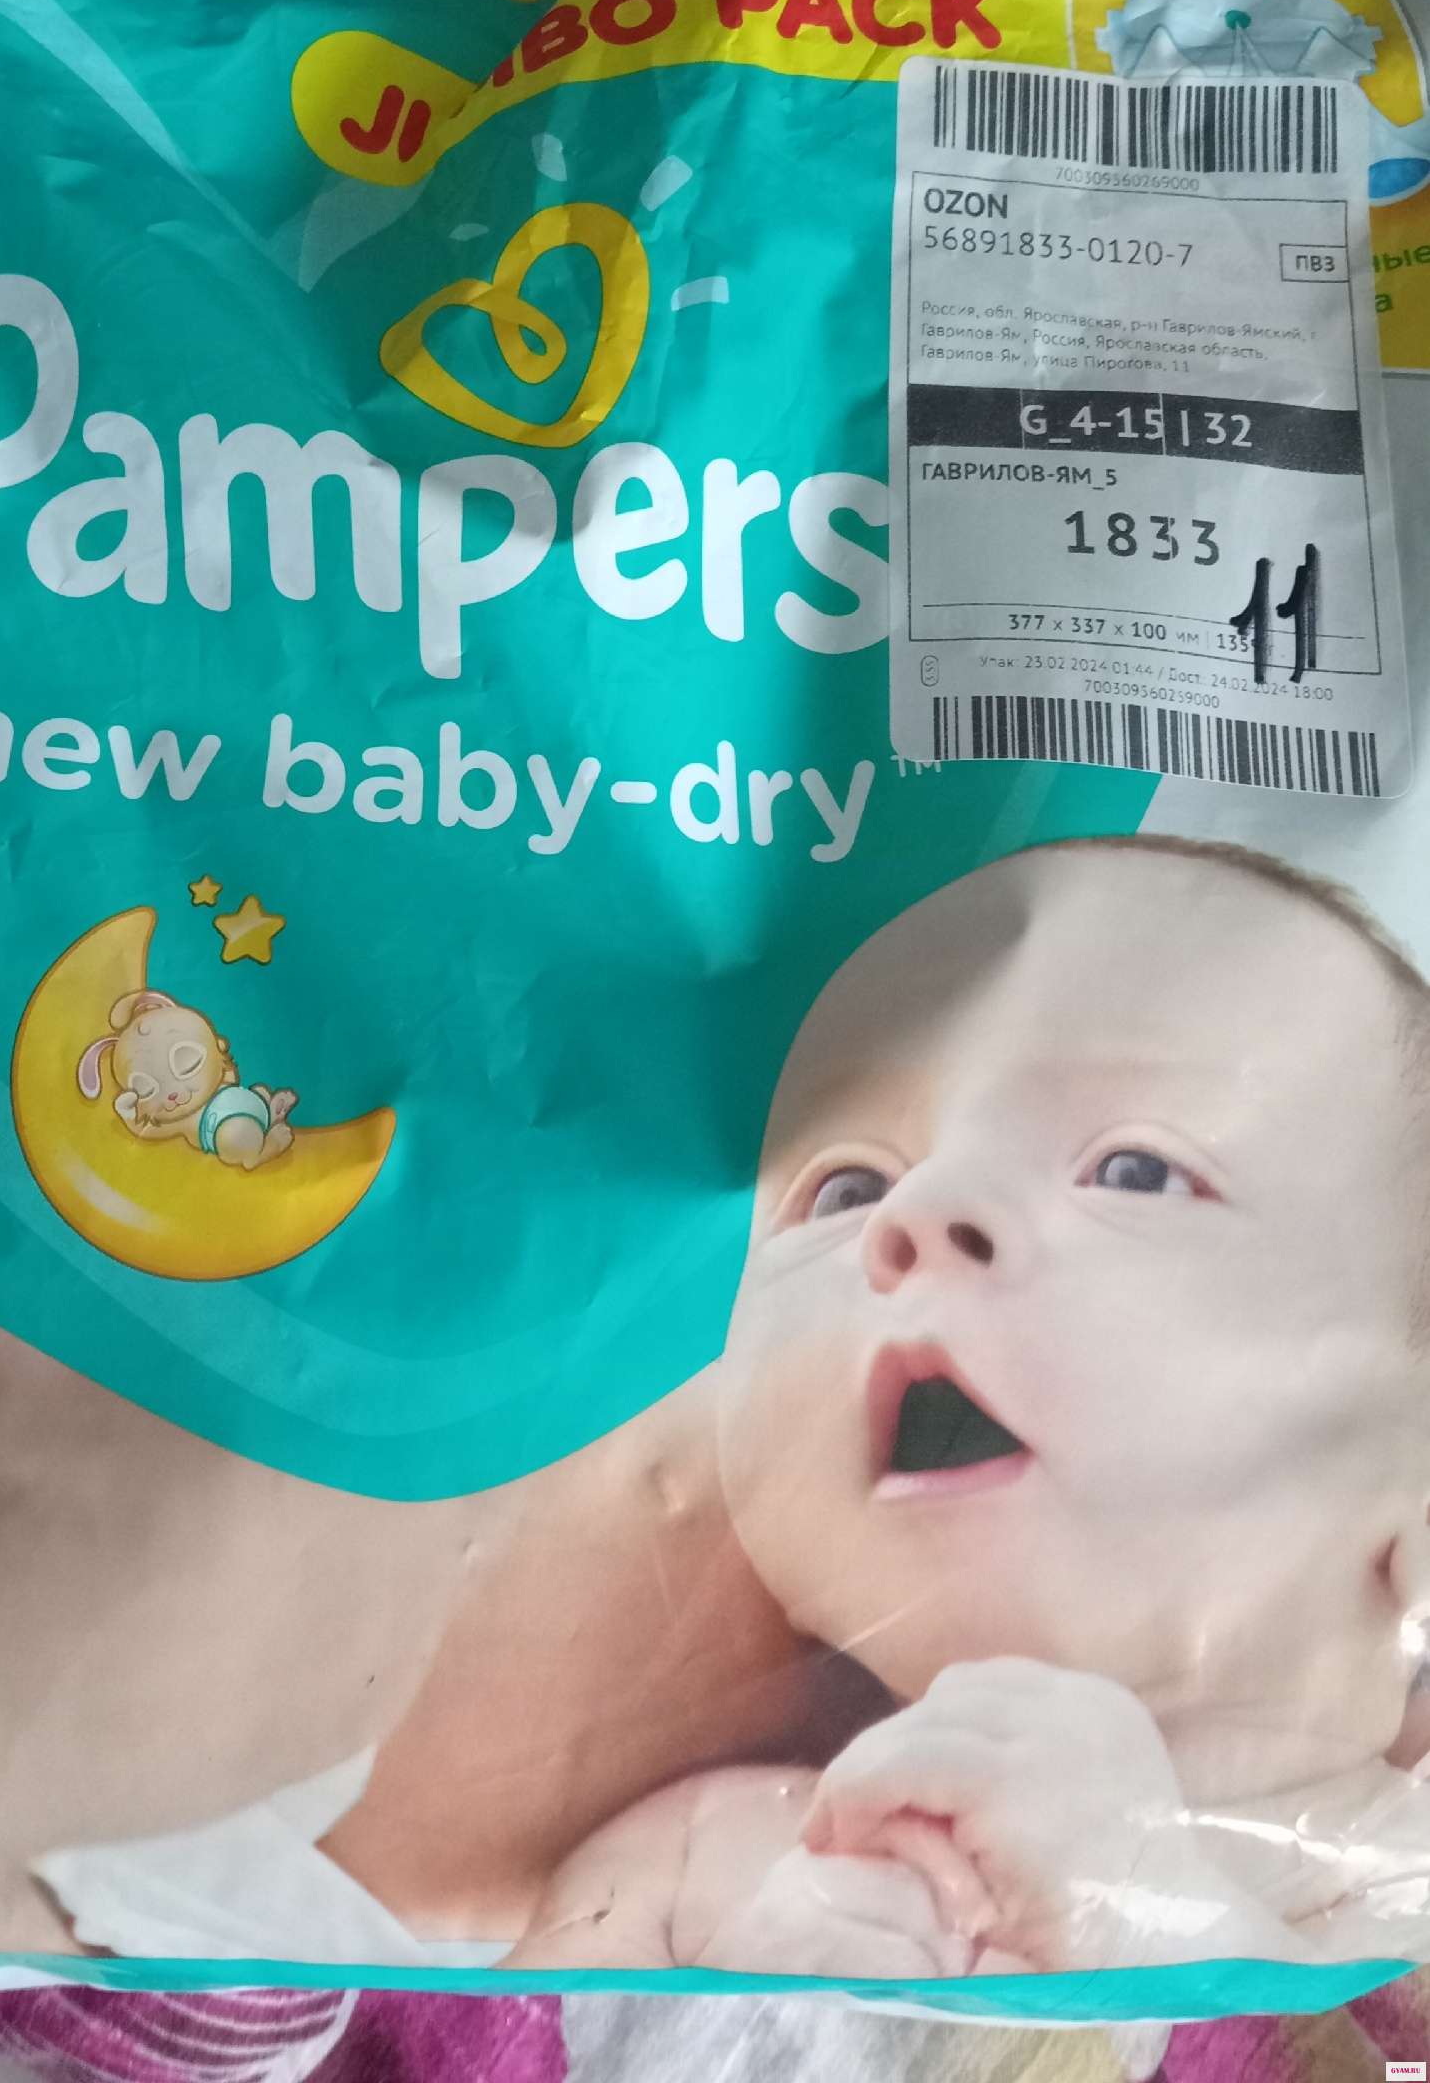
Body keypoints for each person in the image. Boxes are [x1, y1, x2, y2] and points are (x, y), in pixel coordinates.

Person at [502, 839, 1430, 1973]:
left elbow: (1352, 2044)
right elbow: (495, 2037)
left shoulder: (1392, 1865)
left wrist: (1141, 1908)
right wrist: (743, 2015)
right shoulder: (695, 1852)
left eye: (1134, 1171)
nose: (923, 1209)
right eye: (848, 1187)